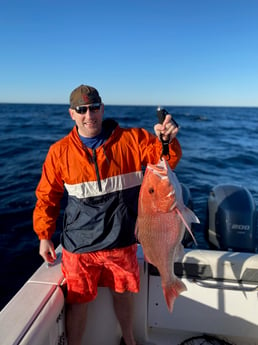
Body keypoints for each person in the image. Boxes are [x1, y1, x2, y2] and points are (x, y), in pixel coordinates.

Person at [33, 84, 182, 345]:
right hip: (79, 246)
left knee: (124, 294)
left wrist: (166, 140)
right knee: (78, 302)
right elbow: (47, 196)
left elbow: (164, 161)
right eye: (82, 110)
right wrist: (44, 235)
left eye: (93, 108)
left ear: (102, 109)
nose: (88, 115)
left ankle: (129, 339)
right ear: (72, 114)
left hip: (122, 240)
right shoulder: (59, 152)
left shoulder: (133, 140)